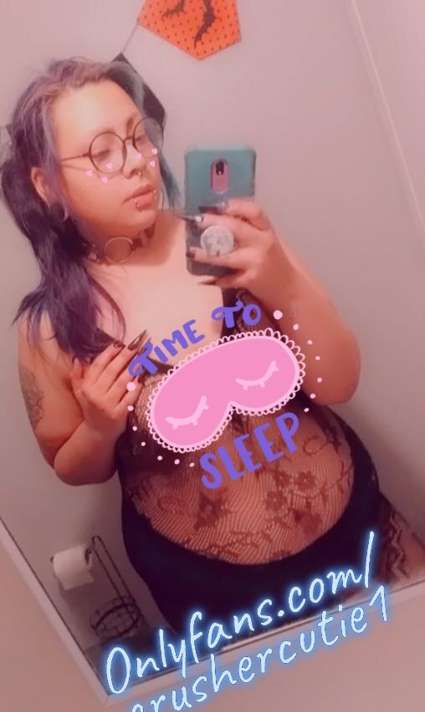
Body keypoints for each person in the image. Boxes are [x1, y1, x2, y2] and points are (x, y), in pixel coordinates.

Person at [2, 56, 425, 641]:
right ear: (46, 185)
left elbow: (339, 382)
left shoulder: (223, 238)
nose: (138, 162)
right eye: (103, 152)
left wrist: (280, 280)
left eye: (138, 136)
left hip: (359, 534)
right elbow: (71, 466)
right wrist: (99, 427)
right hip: (218, 597)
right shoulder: (52, 327)